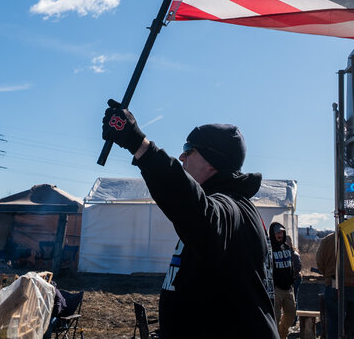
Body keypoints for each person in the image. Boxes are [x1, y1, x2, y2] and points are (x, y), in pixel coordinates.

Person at [102, 100, 278, 338]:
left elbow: (198, 213)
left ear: (214, 162)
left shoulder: (234, 210)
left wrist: (139, 145)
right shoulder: (217, 207)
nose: (182, 156)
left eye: (189, 149)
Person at [316, 232, 354, 339]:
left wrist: (328, 276)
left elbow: (320, 262)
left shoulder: (327, 241)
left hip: (333, 285)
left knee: (334, 322)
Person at [269, 222, 301, 339]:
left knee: (291, 315)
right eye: (277, 232)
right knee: (275, 317)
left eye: (282, 232)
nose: (280, 235)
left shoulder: (287, 248)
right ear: (273, 234)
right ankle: (276, 336)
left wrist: (292, 280)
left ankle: (282, 335)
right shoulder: (269, 249)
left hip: (288, 288)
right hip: (276, 288)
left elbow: (292, 266)